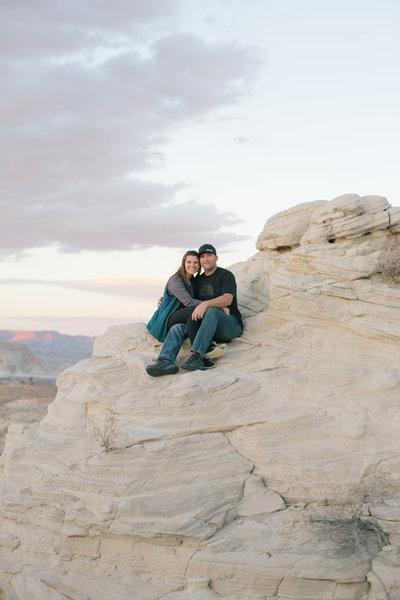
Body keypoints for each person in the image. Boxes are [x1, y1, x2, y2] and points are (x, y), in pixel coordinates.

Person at [146, 244, 242, 376]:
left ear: (216, 258)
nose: (206, 259)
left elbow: (227, 299)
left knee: (211, 310)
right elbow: (187, 300)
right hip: (208, 329)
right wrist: (166, 297)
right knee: (178, 327)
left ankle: (198, 356)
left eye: (209, 256)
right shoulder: (196, 281)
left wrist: (206, 304)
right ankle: (165, 361)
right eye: (202, 257)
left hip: (228, 325)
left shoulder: (225, 275)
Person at [146, 250, 201, 376]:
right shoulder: (176, 280)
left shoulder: (192, 281)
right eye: (189, 262)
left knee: (178, 329)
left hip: (180, 319)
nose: (192, 265)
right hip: (167, 318)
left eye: (195, 262)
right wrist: (211, 304)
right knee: (194, 310)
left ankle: (165, 361)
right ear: (183, 263)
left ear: (199, 265)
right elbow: (188, 302)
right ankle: (197, 353)